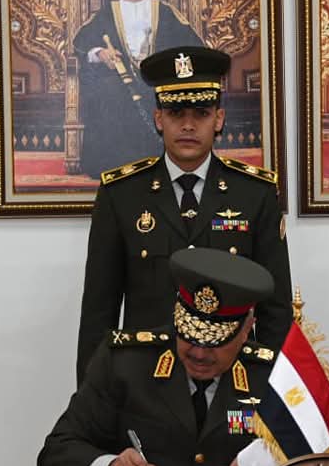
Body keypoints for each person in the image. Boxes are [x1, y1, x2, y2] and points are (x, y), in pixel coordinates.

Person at [75, 44, 292, 385]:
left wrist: (273, 400)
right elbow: (98, 313)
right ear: (159, 119)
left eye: (201, 113)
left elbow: (276, 311)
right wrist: (95, 401)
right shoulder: (122, 195)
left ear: (218, 119)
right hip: (144, 383)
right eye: (176, 113)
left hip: (231, 384)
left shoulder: (255, 194)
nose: (188, 125)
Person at [41, 249, 279, 466]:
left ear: (246, 328)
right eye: (189, 335)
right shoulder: (126, 363)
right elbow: (58, 449)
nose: (199, 353)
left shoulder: (271, 377)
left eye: (214, 342)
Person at [73, 0, 204, 179]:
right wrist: (101, 53)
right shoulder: (108, 11)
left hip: (158, 77)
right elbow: (82, 42)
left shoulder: (163, 10)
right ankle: (115, 164)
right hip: (119, 80)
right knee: (108, 92)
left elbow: (191, 45)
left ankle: (164, 162)